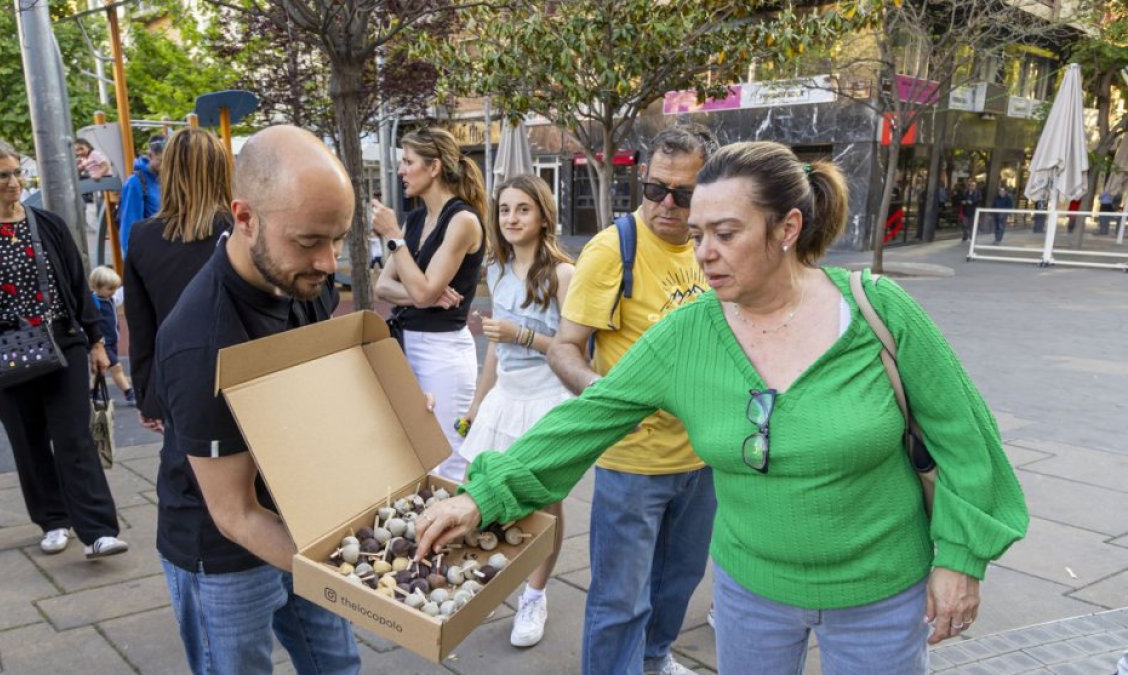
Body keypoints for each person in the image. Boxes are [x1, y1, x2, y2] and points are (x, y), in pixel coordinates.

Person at [415, 141, 1029, 675]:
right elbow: (585, 419)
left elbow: (965, 439)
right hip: (751, 597)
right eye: (697, 235)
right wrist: (482, 497)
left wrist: (960, 558)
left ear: (787, 228)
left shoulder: (880, 310)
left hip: (883, 597)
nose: (704, 252)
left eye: (726, 234)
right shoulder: (686, 335)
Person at [151, 125, 359, 675]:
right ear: (245, 218)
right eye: (309, 241)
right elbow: (235, 514)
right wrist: (359, 579)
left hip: (302, 515)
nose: (329, 262)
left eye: (338, 238)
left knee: (338, 666)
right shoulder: (202, 342)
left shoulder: (303, 281)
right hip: (225, 551)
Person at [535, 125, 719, 675]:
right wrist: (605, 397)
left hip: (703, 457)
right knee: (620, 599)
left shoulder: (712, 245)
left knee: (678, 582)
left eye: (683, 194)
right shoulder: (613, 249)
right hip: (634, 463)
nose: (666, 204)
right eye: (655, 188)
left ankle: (654, 658)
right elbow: (565, 348)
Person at [0, 138, 128, 559]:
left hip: (62, 341)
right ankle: (53, 520)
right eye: (2, 175)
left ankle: (98, 530)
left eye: (17, 172)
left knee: (74, 436)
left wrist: (96, 341)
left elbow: (77, 284)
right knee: (28, 440)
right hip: (0, 349)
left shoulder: (47, 224)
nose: (14, 182)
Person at [457, 174, 574, 648]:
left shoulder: (563, 275)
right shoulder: (497, 270)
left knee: (544, 504)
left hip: (547, 398)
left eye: (523, 209)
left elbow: (574, 351)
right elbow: (494, 348)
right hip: (505, 395)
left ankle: (535, 595)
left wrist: (522, 334)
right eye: (504, 209)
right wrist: (477, 401)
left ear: (544, 215)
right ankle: (488, 579)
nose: (511, 218)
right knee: (478, 486)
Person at [371, 127, 487, 483]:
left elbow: (418, 291)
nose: (401, 171)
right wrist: (428, 295)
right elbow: (383, 286)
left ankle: (455, 517)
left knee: (450, 455)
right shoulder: (417, 219)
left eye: (408, 162)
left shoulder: (463, 221)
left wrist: (394, 237)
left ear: (434, 167)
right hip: (406, 344)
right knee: (413, 452)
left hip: (444, 351)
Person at [123, 127, 234, 432]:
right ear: (221, 170)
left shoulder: (143, 237)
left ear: (168, 171)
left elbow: (141, 326)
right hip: (238, 375)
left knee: (182, 457)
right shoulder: (241, 230)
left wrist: (147, 396)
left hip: (176, 379)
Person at [88, 266, 134, 405]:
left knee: (100, 370)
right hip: (102, 343)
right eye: (110, 288)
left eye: (114, 288)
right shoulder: (94, 302)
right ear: (97, 287)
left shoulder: (111, 299)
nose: (113, 291)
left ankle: (93, 392)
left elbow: (122, 293)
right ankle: (129, 393)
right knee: (116, 367)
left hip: (112, 342)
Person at [119, 135, 165, 254]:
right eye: (161, 161)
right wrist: (131, 260)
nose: (165, 167)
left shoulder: (166, 179)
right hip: (149, 252)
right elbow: (129, 228)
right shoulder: (135, 182)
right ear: (150, 156)